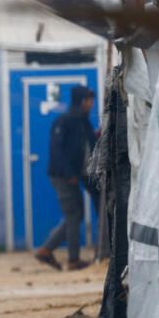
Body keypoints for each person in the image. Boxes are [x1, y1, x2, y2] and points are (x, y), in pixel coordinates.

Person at [36, 86, 97, 272]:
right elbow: (57, 150)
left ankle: (47, 249)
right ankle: (72, 260)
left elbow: (86, 145)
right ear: (80, 101)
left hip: (71, 175)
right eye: (88, 100)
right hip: (62, 175)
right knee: (74, 214)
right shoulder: (65, 121)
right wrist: (69, 173)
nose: (91, 104)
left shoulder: (83, 123)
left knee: (76, 214)